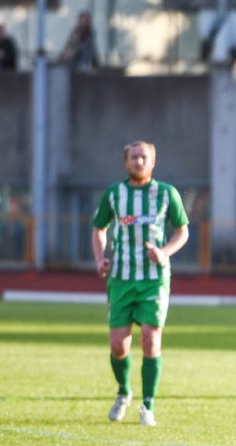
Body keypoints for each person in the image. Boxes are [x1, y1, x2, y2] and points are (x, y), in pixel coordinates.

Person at [91, 141, 190, 426]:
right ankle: (124, 392)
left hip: (154, 281)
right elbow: (99, 228)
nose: (138, 161)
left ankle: (148, 406)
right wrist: (100, 258)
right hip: (121, 279)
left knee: (150, 339)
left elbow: (182, 231)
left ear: (153, 161)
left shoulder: (166, 193)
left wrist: (164, 252)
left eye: (143, 157)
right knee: (118, 346)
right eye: (133, 157)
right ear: (126, 162)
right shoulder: (114, 194)